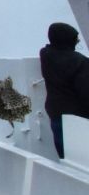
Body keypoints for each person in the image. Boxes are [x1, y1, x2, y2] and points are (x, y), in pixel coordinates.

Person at [40, 22, 89, 159]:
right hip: (78, 117)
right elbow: (85, 92)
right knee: (81, 158)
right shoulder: (80, 62)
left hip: (56, 112)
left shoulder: (46, 55)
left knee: (65, 156)